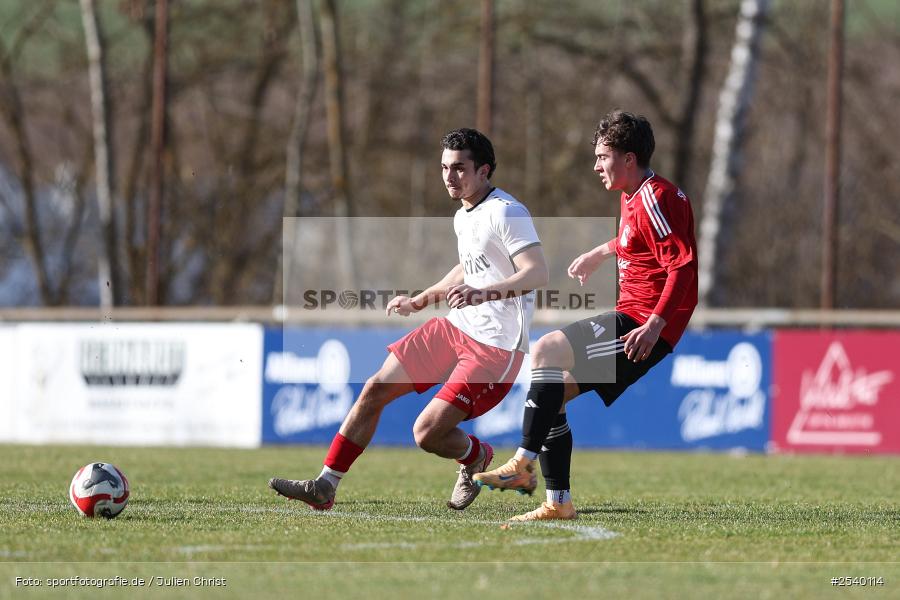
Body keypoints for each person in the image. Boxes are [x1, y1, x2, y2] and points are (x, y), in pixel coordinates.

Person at [269, 128, 548, 511]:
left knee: (427, 433)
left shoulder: (507, 211)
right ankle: (325, 485)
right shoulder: (464, 215)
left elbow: (536, 274)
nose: (450, 177)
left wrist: (483, 294)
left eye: (460, 168)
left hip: (495, 348)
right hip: (455, 327)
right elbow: (468, 267)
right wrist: (421, 300)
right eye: (445, 168)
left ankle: (475, 456)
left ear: (484, 170)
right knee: (375, 388)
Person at [474, 111, 698, 521]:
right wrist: (601, 252)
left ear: (628, 159)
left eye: (602, 156)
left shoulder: (655, 196)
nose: (596, 166)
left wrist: (654, 324)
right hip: (637, 317)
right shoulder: (636, 195)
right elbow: (638, 238)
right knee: (551, 393)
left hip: (642, 324)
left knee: (546, 350)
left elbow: (682, 266)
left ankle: (523, 464)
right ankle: (558, 503)